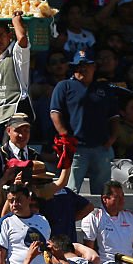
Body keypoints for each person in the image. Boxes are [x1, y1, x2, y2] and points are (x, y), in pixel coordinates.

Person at [50, 51, 118, 195]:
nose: (82, 68)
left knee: (103, 193)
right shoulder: (64, 86)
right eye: (78, 65)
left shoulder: (104, 88)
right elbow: (55, 112)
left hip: (101, 147)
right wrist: (64, 135)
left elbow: (114, 116)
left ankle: (101, 217)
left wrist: (113, 137)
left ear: (94, 67)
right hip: (76, 149)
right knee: (70, 190)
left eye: (86, 65)